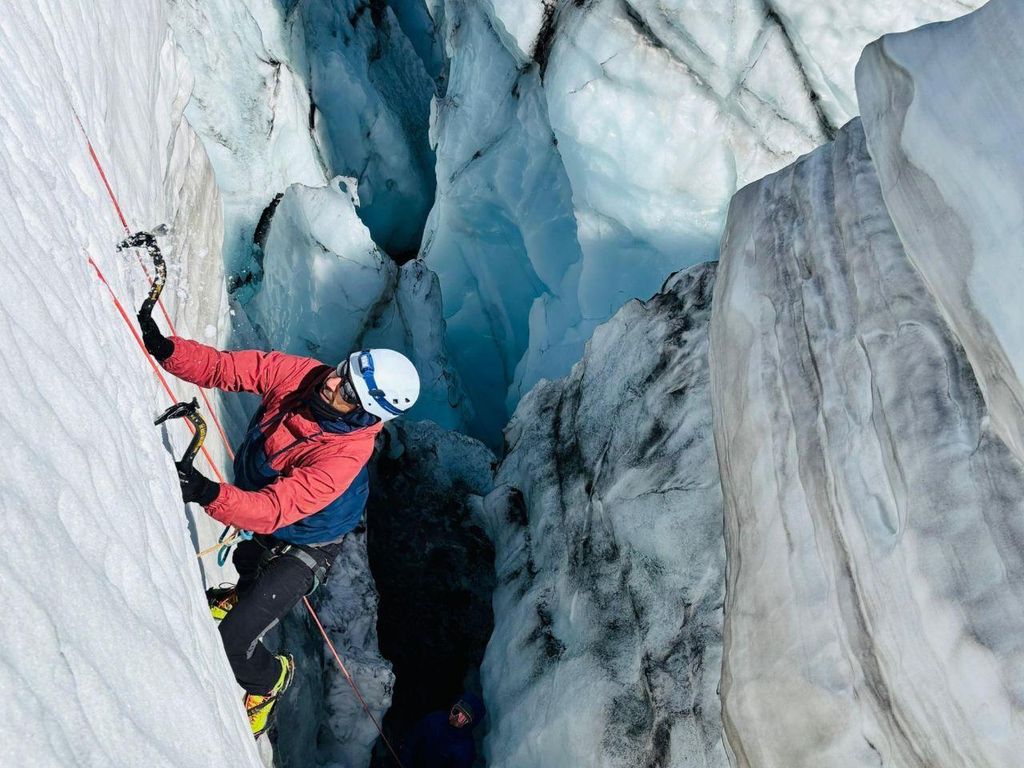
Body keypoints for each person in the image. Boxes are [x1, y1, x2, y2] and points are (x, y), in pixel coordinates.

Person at [137, 307, 419, 737]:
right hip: (274, 510)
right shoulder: (307, 377)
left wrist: (208, 492)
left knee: (234, 641)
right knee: (250, 558)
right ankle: (242, 594)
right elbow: (226, 368)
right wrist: (168, 351)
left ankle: (269, 681)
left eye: (346, 391)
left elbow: (273, 510)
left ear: (364, 415)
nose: (331, 384)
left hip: (312, 541)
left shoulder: (343, 456)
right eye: (342, 372)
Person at [399, 693, 486, 768]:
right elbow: (411, 739)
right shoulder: (435, 719)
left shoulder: (465, 750)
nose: (456, 718)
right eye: (456, 711)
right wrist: (405, 761)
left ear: (469, 724)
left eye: (463, 718)